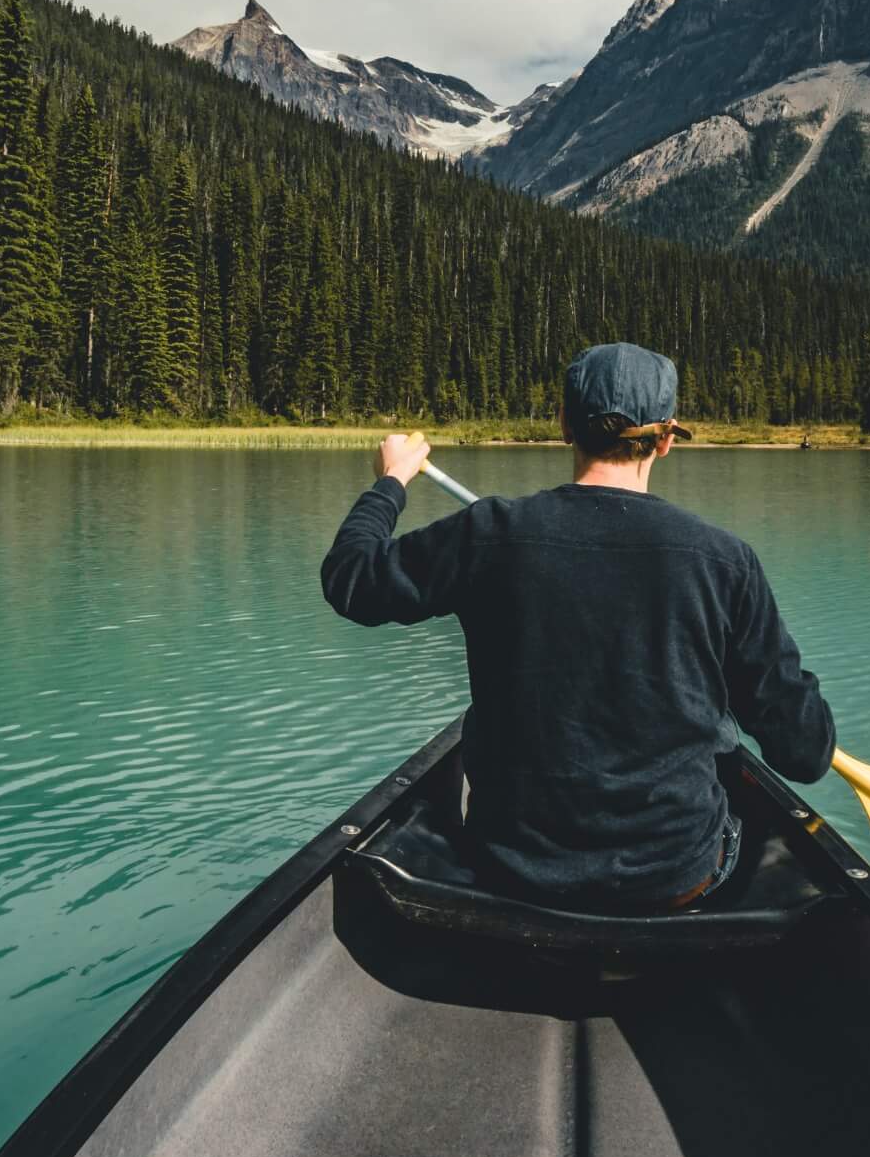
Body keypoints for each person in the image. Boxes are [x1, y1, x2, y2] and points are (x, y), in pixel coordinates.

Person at [321, 342, 835, 913]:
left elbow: (351, 582)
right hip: (676, 881)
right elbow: (804, 754)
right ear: (666, 441)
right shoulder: (724, 561)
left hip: (510, 871)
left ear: (564, 424)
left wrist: (392, 481)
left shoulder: (490, 532)